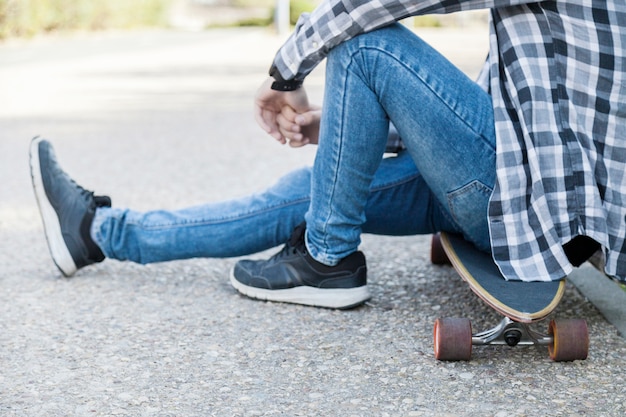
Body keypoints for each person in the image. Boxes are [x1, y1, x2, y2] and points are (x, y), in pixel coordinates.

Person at [30, 0, 625, 310]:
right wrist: (347, 129)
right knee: (299, 193)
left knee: (361, 37)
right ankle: (99, 232)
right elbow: (525, 116)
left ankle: (328, 260)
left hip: (515, 197)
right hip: (517, 186)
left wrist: (288, 65)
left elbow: (373, 8)